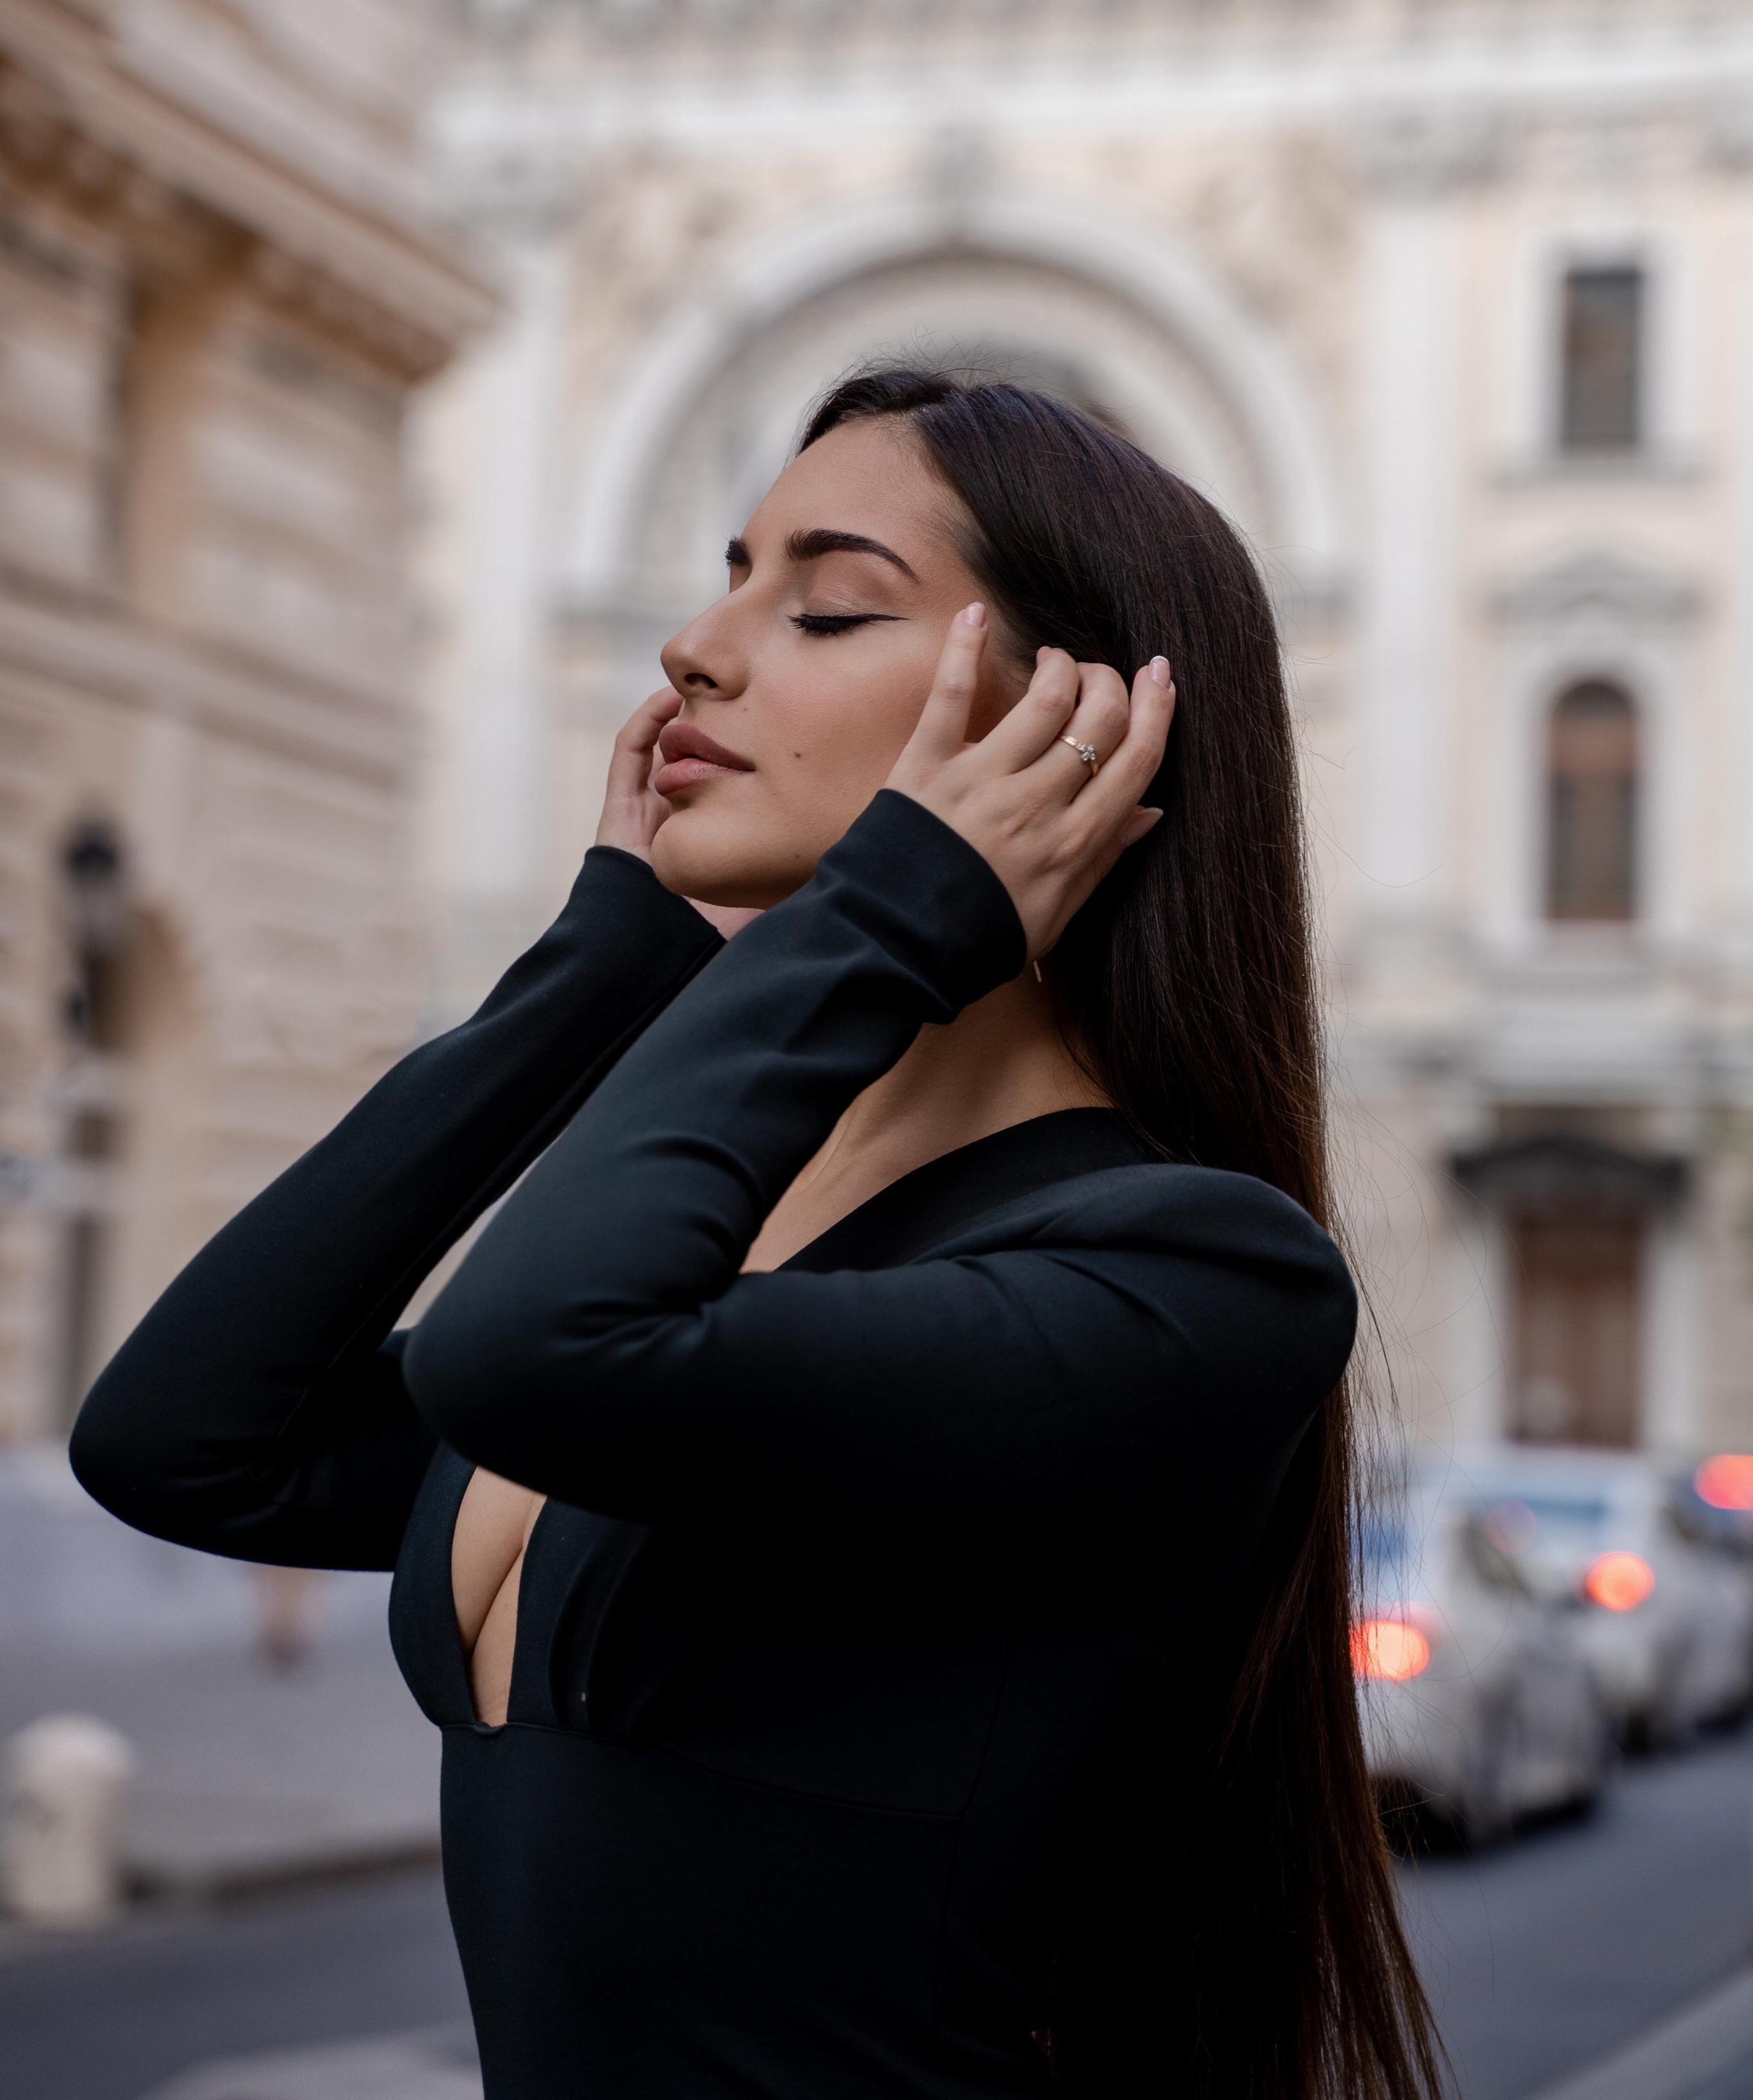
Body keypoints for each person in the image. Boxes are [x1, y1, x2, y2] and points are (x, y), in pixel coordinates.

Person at [71, 369, 1441, 2100]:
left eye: (825, 605)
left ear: (1073, 733)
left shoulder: (1190, 1275)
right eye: (727, 573)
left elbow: (530, 1348)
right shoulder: (715, 1253)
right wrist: (596, 967)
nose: (695, 649)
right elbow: (183, 1442)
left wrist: (887, 914)